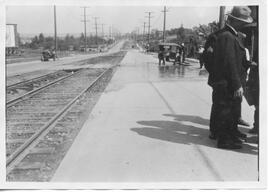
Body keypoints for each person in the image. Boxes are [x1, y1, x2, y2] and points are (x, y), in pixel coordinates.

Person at [208, 6, 253, 149]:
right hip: (227, 83)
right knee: (225, 112)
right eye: (242, 22)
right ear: (235, 21)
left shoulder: (231, 35)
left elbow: (235, 59)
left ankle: (230, 136)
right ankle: (224, 141)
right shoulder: (227, 36)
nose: (244, 25)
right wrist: (236, 84)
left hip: (229, 82)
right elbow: (229, 63)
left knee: (230, 111)